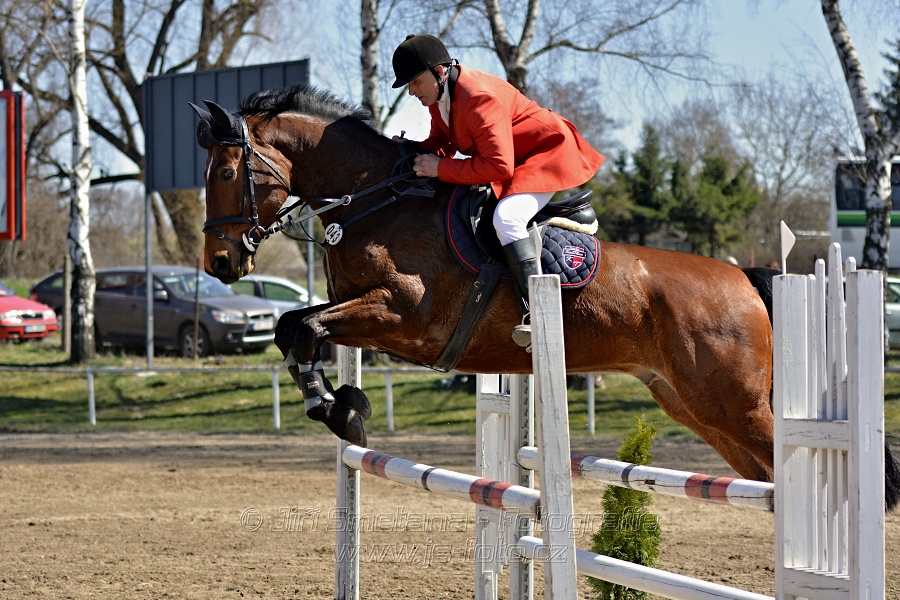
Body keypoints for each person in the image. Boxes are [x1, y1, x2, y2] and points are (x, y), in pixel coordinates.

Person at [390, 33, 605, 347]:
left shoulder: (478, 97)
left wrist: (438, 168)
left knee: (507, 218)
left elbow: (498, 167)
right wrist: (409, 149)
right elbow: (441, 145)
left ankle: (539, 314)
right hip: (514, 160)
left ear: (439, 72)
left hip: (546, 153)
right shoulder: (441, 99)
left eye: (414, 82)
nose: (411, 91)